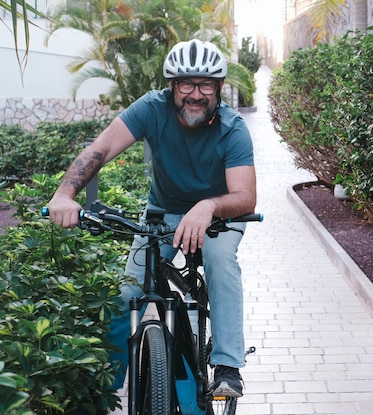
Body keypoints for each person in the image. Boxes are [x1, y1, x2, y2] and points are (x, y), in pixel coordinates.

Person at [46, 39, 256, 413]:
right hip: (161, 214)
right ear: (171, 87)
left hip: (217, 219)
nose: (196, 94)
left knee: (222, 263)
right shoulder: (151, 108)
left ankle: (227, 365)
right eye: (186, 84)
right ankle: (101, 394)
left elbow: (245, 196)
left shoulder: (232, 127)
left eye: (206, 85)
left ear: (219, 88)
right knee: (127, 294)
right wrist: (65, 193)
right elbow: (101, 149)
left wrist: (207, 206)